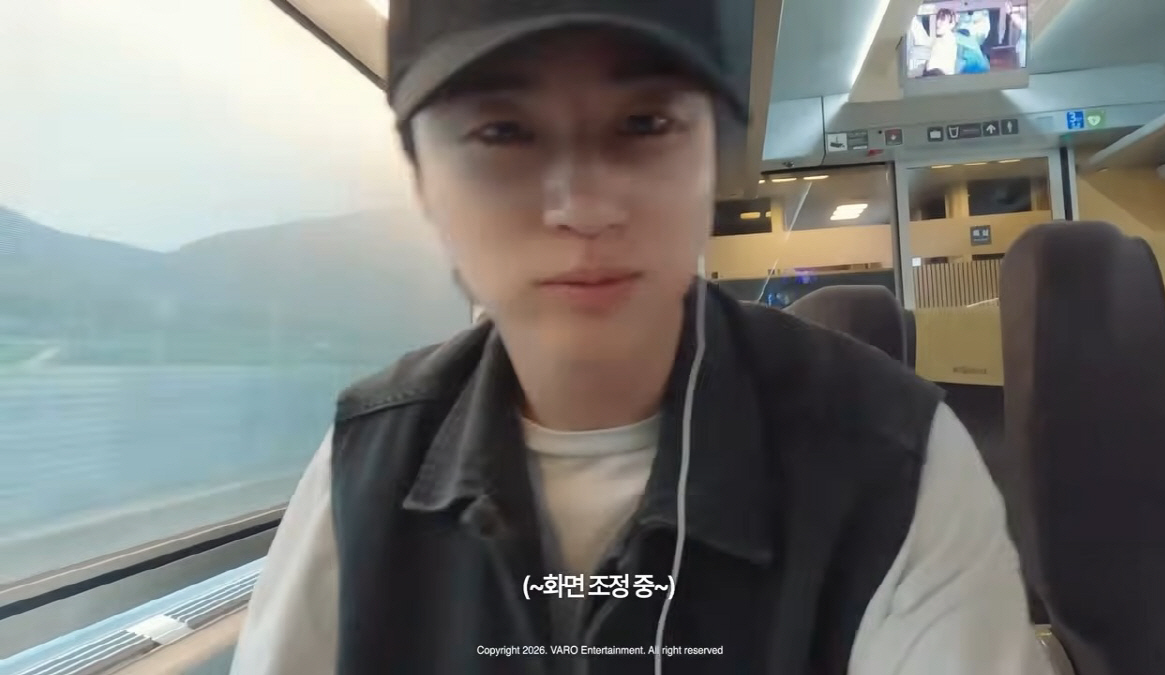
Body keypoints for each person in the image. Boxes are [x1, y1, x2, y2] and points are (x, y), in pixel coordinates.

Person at [230, 1, 1051, 673]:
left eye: (645, 122)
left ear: (713, 159)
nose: (583, 208)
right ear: (421, 179)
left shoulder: (895, 462)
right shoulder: (363, 469)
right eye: (503, 132)